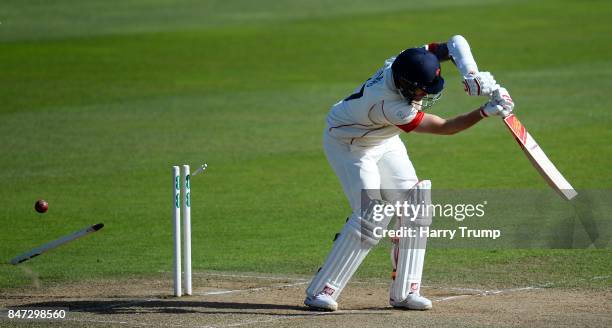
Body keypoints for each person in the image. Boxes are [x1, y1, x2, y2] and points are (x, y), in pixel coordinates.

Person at [304, 35, 514, 311]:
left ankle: (405, 293)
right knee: (372, 215)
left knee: (416, 205)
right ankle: (320, 291)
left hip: (381, 138)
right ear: (405, 84)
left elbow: (454, 43)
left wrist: (472, 74)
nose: (425, 95)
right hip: (350, 145)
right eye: (421, 90)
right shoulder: (390, 105)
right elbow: (445, 127)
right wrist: (485, 111)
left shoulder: (405, 61)